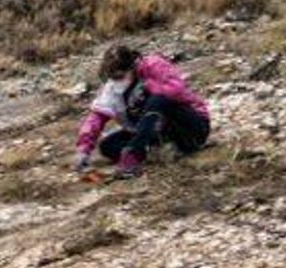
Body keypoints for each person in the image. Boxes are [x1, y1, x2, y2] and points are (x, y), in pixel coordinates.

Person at [73, 44, 211, 181]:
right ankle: (159, 151)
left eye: (120, 76)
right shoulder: (113, 88)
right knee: (107, 146)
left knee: (158, 99)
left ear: (132, 67)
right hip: (157, 130)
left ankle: (134, 156)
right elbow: (97, 117)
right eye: (113, 78)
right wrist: (83, 149)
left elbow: (178, 90)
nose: (117, 81)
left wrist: (149, 87)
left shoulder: (153, 65)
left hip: (191, 128)